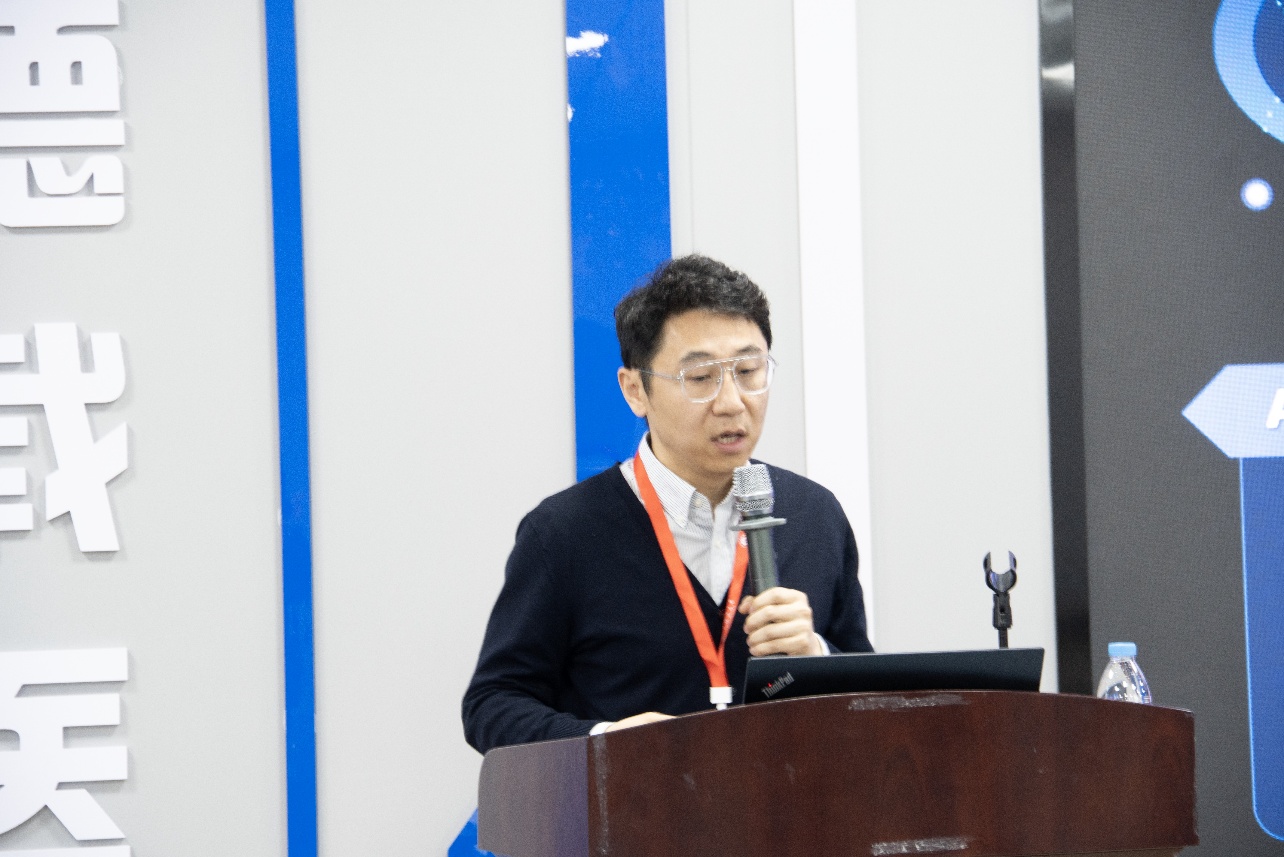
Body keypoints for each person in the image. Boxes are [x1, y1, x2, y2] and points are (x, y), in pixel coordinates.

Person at [462, 254, 871, 754]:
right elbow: (492, 705)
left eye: (749, 370)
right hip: (635, 802)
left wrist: (815, 653)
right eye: (700, 378)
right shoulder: (564, 532)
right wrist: (606, 742)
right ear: (636, 390)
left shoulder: (815, 514)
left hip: (786, 800)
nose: (732, 402)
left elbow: (870, 695)